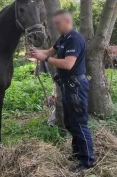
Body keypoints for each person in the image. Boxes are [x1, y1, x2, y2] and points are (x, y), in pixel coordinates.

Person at [29, 10, 95, 172]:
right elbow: (49, 52)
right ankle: (78, 153)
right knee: (70, 122)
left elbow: (68, 64)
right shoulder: (63, 39)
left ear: (67, 21)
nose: (55, 26)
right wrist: (37, 53)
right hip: (67, 86)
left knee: (79, 123)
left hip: (76, 87)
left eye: (58, 23)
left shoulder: (75, 39)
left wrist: (44, 58)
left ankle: (87, 161)